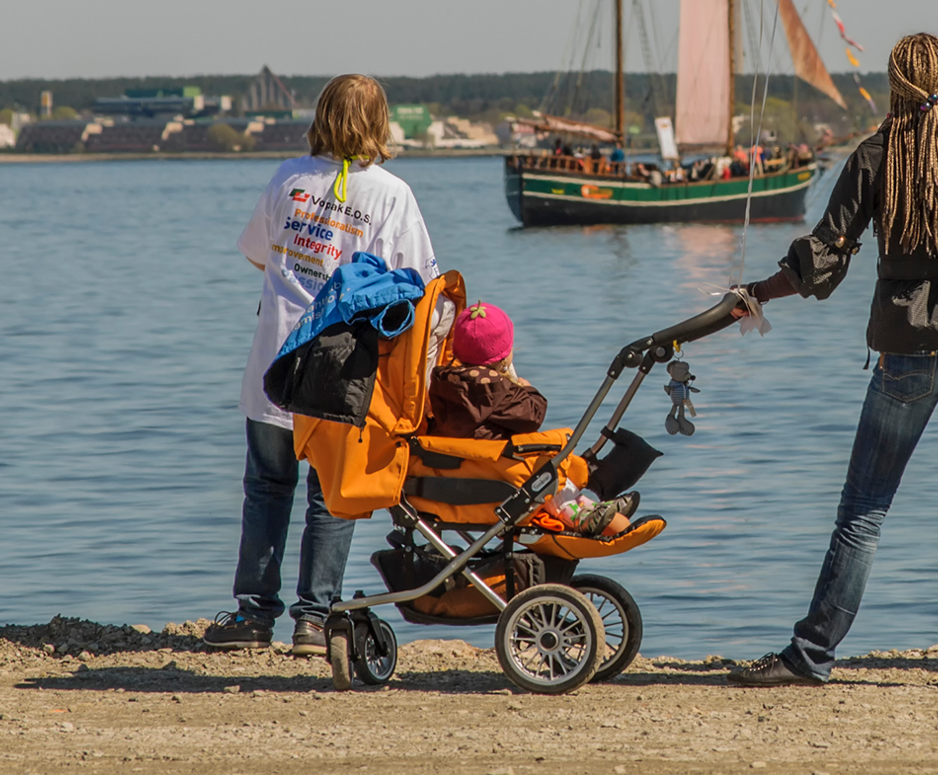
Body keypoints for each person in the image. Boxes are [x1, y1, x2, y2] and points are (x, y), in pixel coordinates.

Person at [728, 33, 938, 688]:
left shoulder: (877, 156)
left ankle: (813, 652)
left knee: (864, 509)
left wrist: (757, 292)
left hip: (908, 353)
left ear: (894, 84)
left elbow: (823, 256)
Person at [205, 75, 439, 654]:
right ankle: (314, 617)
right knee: (329, 495)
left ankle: (254, 615)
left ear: (322, 115)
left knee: (265, 486)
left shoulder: (288, 177)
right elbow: (421, 285)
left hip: (276, 358)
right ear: (380, 122)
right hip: (343, 364)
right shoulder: (391, 194)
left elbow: (259, 254)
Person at [426, 300, 635, 537]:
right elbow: (534, 414)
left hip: (465, 470)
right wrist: (524, 387)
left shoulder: (443, 382)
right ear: (504, 356)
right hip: (499, 474)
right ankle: (577, 513)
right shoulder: (496, 388)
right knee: (544, 461)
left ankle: (587, 505)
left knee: (535, 461)